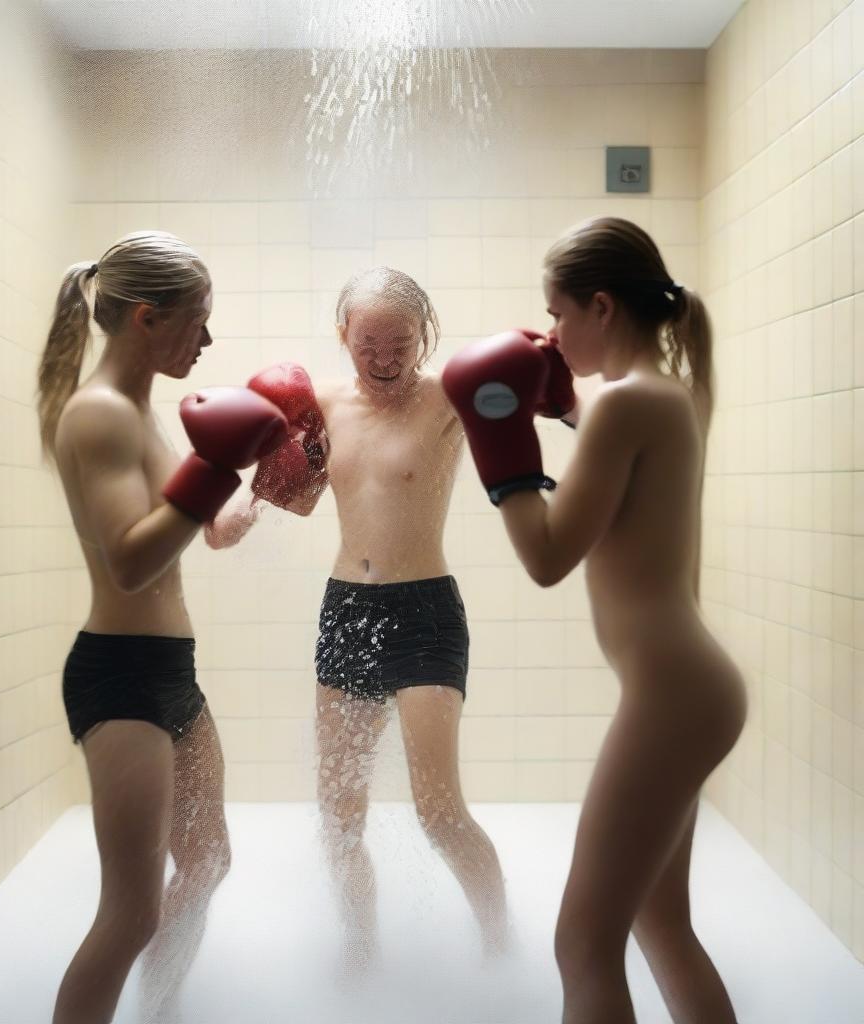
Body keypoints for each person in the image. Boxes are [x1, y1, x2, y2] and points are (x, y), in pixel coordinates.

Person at [207, 266, 575, 970]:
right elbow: (275, 503)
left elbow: (545, 401)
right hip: (347, 611)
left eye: (400, 342)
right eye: (368, 343)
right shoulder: (314, 402)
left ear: (423, 334)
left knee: (439, 812)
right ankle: (360, 955)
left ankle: (504, 948)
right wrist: (241, 506)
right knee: (340, 819)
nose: (383, 360)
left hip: (425, 612)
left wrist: (568, 389)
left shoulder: (448, 399)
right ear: (343, 334)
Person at [442, 217, 746, 1024]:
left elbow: (547, 557)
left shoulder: (625, 406)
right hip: (691, 688)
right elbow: (614, 469)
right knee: (660, 922)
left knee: (583, 944)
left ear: (601, 307)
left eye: (558, 312)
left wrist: (499, 441)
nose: (550, 331)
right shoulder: (662, 396)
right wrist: (561, 406)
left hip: (673, 698)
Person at [37, 231, 287, 1024]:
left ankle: (158, 1012)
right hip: (120, 677)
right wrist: (215, 470)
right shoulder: (100, 415)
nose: (206, 340)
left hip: (169, 673)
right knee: (132, 911)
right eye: (199, 321)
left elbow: (198, 532)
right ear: (147, 318)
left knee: (208, 858)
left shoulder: (143, 414)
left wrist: (266, 484)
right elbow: (130, 563)